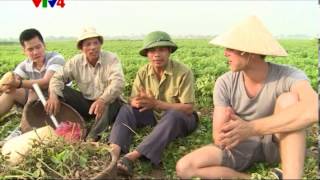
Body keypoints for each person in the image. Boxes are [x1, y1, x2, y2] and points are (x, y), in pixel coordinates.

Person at [176, 16, 318, 179]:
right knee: (184, 167)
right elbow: (219, 138)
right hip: (241, 144)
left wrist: (251, 128)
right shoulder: (225, 82)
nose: (225, 53)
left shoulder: (289, 76)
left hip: (277, 142)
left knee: (289, 101)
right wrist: (227, 129)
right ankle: (251, 178)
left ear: (248, 52)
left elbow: (313, 110)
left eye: (230, 48)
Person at [108, 31, 198, 176]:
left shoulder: (183, 72)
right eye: (152, 51)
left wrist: (156, 104)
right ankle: (114, 152)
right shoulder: (143, 72)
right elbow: (132, 99)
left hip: (181, 119)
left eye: (162, 49)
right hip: (155, 116)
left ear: (169, 51)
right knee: (126, 109)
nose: (157, 54)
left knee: (173, 115)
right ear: (147, 54)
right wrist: (136, 102)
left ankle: (131, 157)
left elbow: (188, 108)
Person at [46, 27, 125, 141]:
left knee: (113, 99)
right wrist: (53, 95)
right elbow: (57, 77)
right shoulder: (75, 62)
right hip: (87, 105)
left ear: (100, 44)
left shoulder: (111, 58)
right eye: (88, 44)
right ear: (82, 48)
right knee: (61, 91)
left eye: (95, 43)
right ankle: (66, 124)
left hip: (106, 104)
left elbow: (118, 82)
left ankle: (92, 136)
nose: (92, 47)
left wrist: (102, 99)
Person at [0, 28, 65, 143]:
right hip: (37, 99)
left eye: (38, 47)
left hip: (58, 99)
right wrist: (6, 85)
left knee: (33, 90)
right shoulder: (25, 64)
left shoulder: (56, 58)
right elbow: (13, 79)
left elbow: (46, 83)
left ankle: (22, 130)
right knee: (11, 92)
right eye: (30, 49)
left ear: (44, 45)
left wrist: (19, 83)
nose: (35, 52)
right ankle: (22, 128)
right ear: (24, 51)